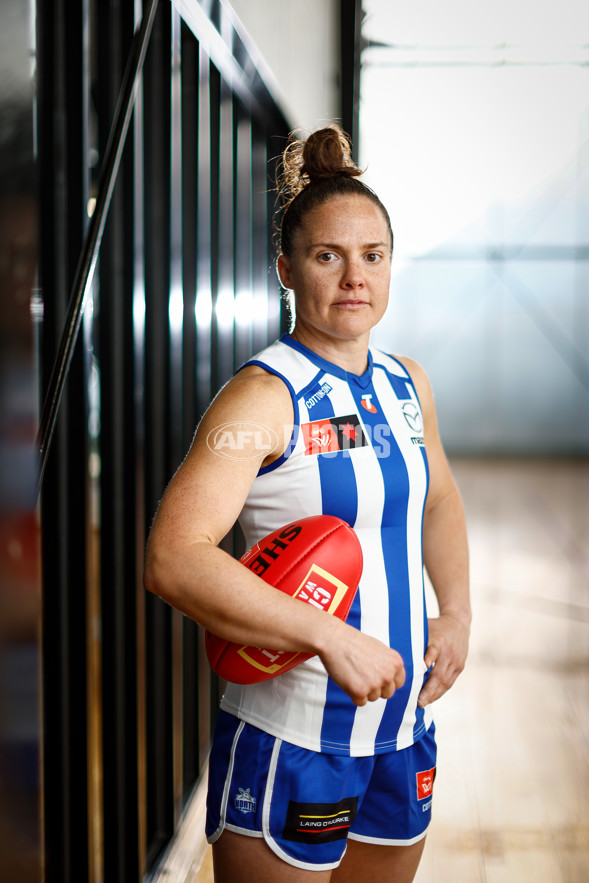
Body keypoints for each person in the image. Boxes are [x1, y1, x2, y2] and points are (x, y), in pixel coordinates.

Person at [144, 124, 470, 882]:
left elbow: (441, 499)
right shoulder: (262, 396)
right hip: (292, 736)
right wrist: (329, 636)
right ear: (287, 268)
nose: (354, 277)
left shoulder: (405, 383)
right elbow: (173, 557)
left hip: (400, 730)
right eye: (329, 255)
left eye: (372, 256)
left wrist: (455, 610)